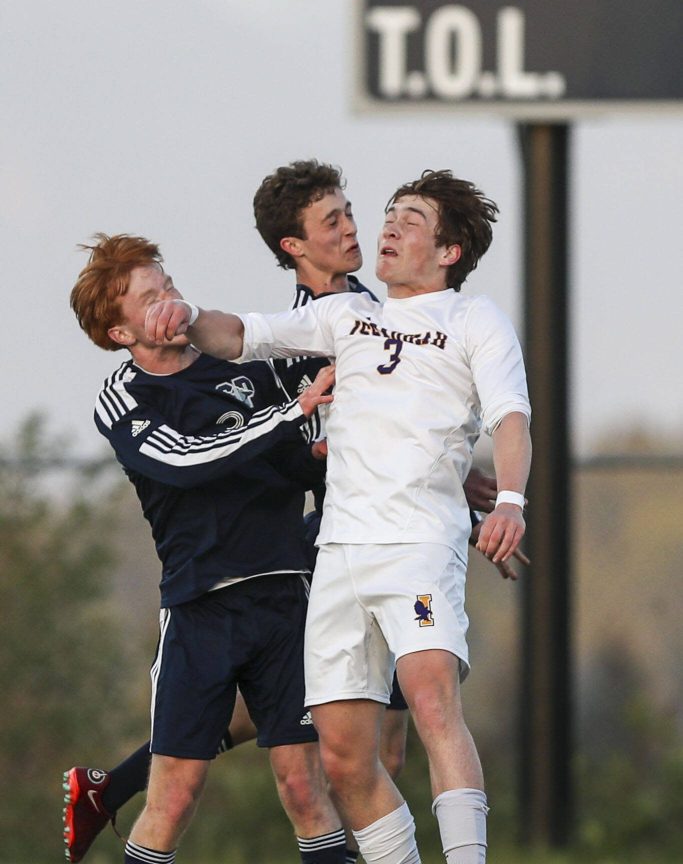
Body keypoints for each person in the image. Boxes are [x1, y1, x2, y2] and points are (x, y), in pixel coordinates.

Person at [146, 169, 532, 864]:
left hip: (416, 542)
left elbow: (509, 420)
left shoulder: (473, 319)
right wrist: (185, 315)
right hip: (338, 558)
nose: (387, 226)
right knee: (346, 759)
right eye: (388, 214)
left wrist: (509, 502)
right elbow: (239, 335)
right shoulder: (344, 316)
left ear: (447, 251)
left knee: (430, 698)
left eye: (409, 219)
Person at [68, 234, 348, 864]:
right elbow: (186, 462)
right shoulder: (124, 396)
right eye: (148, 298)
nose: (169, 301)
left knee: (306, 786)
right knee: (175, 794)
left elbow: (293, 466)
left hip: (283, 599)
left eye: (167, 286)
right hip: (202, 609)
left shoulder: (243, 364)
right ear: (120, 333)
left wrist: (320, 457)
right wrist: (286, 419)